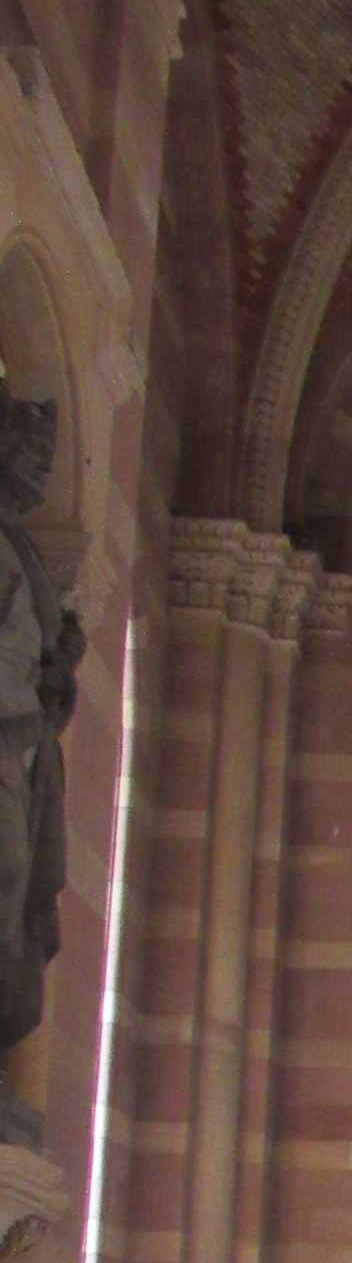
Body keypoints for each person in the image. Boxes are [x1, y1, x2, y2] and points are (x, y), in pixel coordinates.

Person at [0, 389, 78, 1066]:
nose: (41, 464)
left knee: (20, 882)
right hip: (13, 742)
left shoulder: (23, 552)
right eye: (27, 447)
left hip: (25, 750)